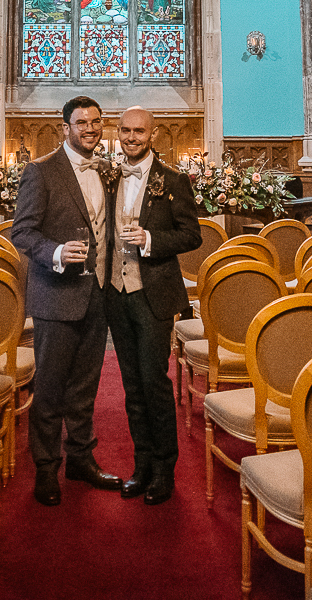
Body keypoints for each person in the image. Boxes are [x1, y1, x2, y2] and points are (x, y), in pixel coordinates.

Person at [9, 95, 126, 506]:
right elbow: (22, 232)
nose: (90, 129)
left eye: (96, 122)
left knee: (84, 386)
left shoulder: (110, 170)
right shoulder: (40, 172)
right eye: (81, 123)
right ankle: (45, 467)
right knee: (51, 387)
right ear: (66, 128)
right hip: (56, 295)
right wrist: (56, 253)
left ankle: (80, 458)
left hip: (97, 293)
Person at [105, 106, 202, 503]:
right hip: (115, 291)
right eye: (126, 131)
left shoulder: (173, 180)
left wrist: (149, 240)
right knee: (131, 384)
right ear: (119, 133)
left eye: (139, 131)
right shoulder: (108, 177)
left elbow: (191, 235)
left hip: (153, 294)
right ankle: (141, 464)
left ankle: (165, 469)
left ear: (154, 134)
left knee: (154, 383)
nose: (131, 137)